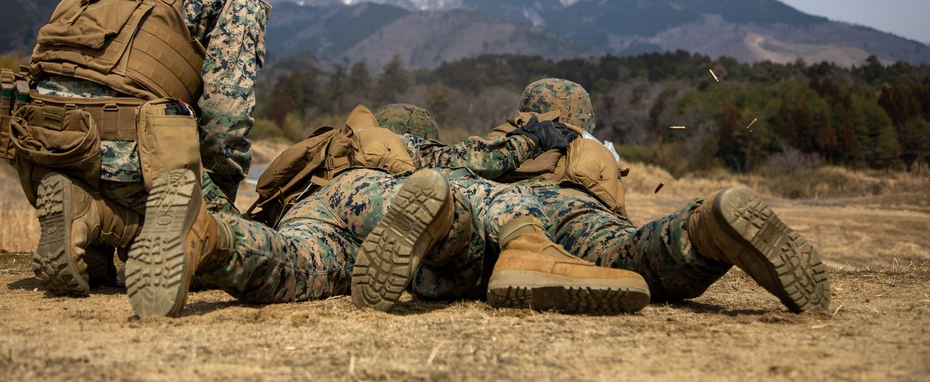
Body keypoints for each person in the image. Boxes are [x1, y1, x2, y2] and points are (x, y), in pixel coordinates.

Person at [6, 0, 270, 298]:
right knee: (219, 246)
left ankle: (90, 232)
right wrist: (216, 201)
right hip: (131, 158)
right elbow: (226, 113)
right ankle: (98, 219)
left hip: (42, 144)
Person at [125, 107, 651, 317]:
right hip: (380, 192)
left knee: (295, 263)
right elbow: (473, 161)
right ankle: (443, 212)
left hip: (308, 209)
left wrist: (224, 213)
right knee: (450, 218)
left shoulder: (326, 146)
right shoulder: (405, 146)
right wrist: (524, 142)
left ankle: (211, 237)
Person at [496, 79, 831, 313]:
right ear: (586, 118)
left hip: (505, 212)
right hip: (575, 212)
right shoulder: (588, 145)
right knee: (627, 256)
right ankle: (701, 229)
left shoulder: (506, 139)